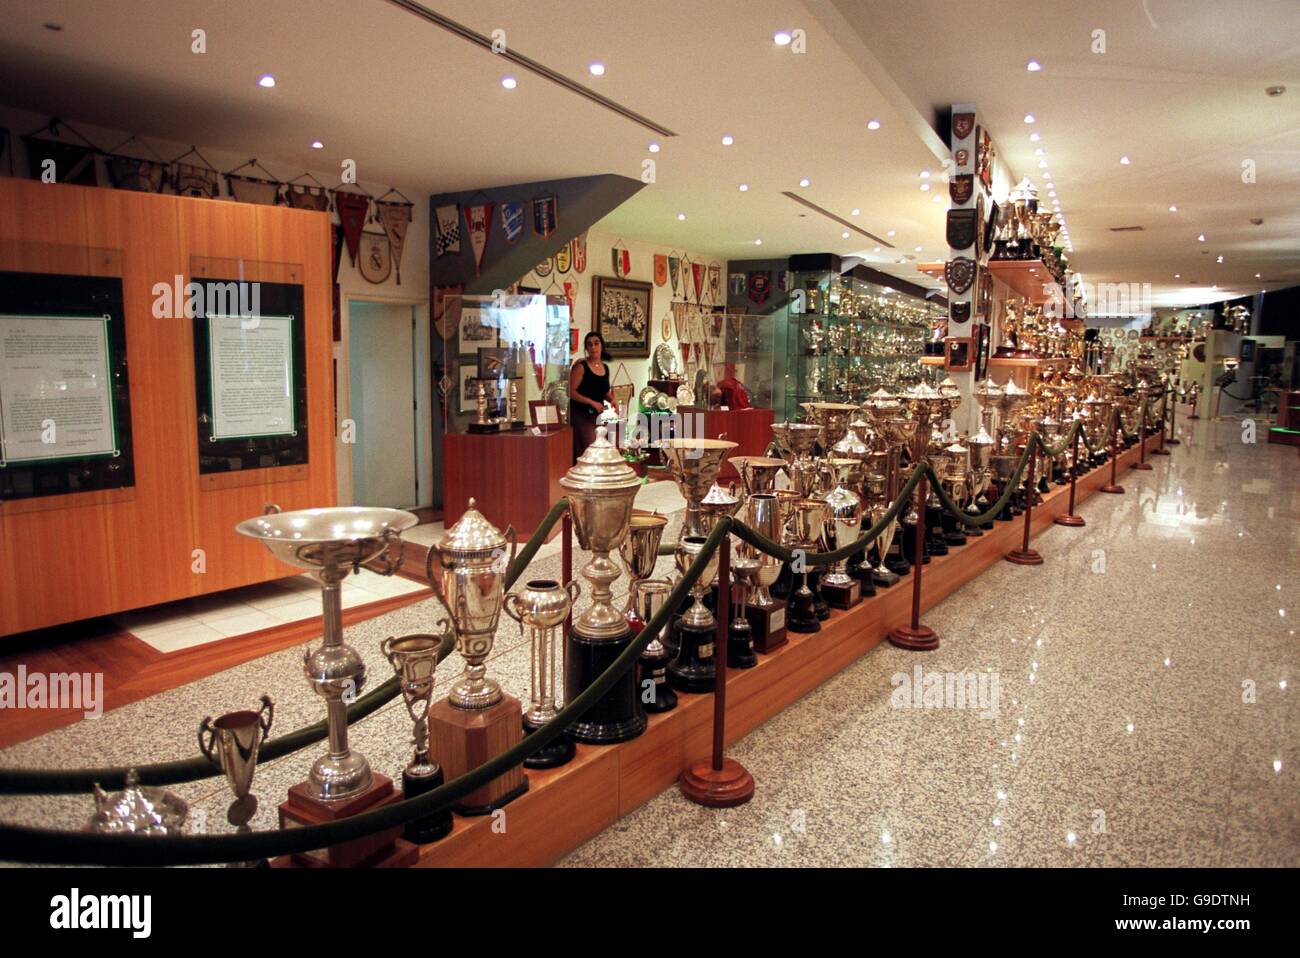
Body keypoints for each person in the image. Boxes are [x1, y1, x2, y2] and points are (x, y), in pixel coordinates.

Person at [569, 331, 613, 461]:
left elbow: (603, 391)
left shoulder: (605, 367)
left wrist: (612, 400)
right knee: (591, 448)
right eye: (589, 345)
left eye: (596, 343)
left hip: (598, 415)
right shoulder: (581, 367)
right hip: (581, 415)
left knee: (602, 449)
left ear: (601, 346)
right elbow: (570, 392)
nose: (593, 347)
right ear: (586, 348)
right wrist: (590, 402)